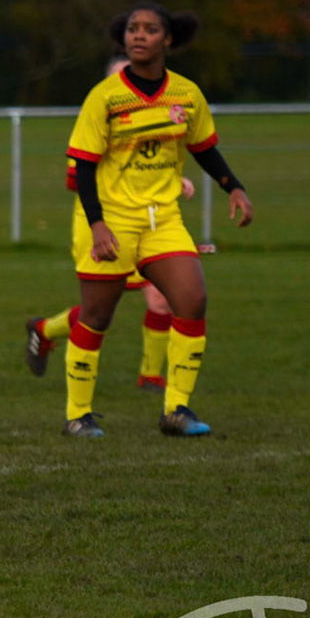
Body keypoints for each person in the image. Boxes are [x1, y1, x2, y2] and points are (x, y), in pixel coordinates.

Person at [51, 4, 253, 440]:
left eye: (150, 29)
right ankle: (77, 414)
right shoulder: (104, 96)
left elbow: (203, 147)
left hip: (163, 220)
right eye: (132, 29)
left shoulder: (186, 94)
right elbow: (83, 168)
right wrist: (99, 226)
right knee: (96, 316)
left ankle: (176, 410)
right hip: (112, 220)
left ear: (169, 40)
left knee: (193, 300)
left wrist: (232, 186)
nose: (138, 36)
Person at [26, 56, 195, 394]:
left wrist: (174, 182)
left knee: (161, 298)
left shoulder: (152, 116)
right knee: (99, 310)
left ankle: (151, 376)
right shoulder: (98, 117)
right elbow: (76, 178)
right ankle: (44, 330)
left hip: (148, 223)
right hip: (104, 224)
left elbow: (153, 163)